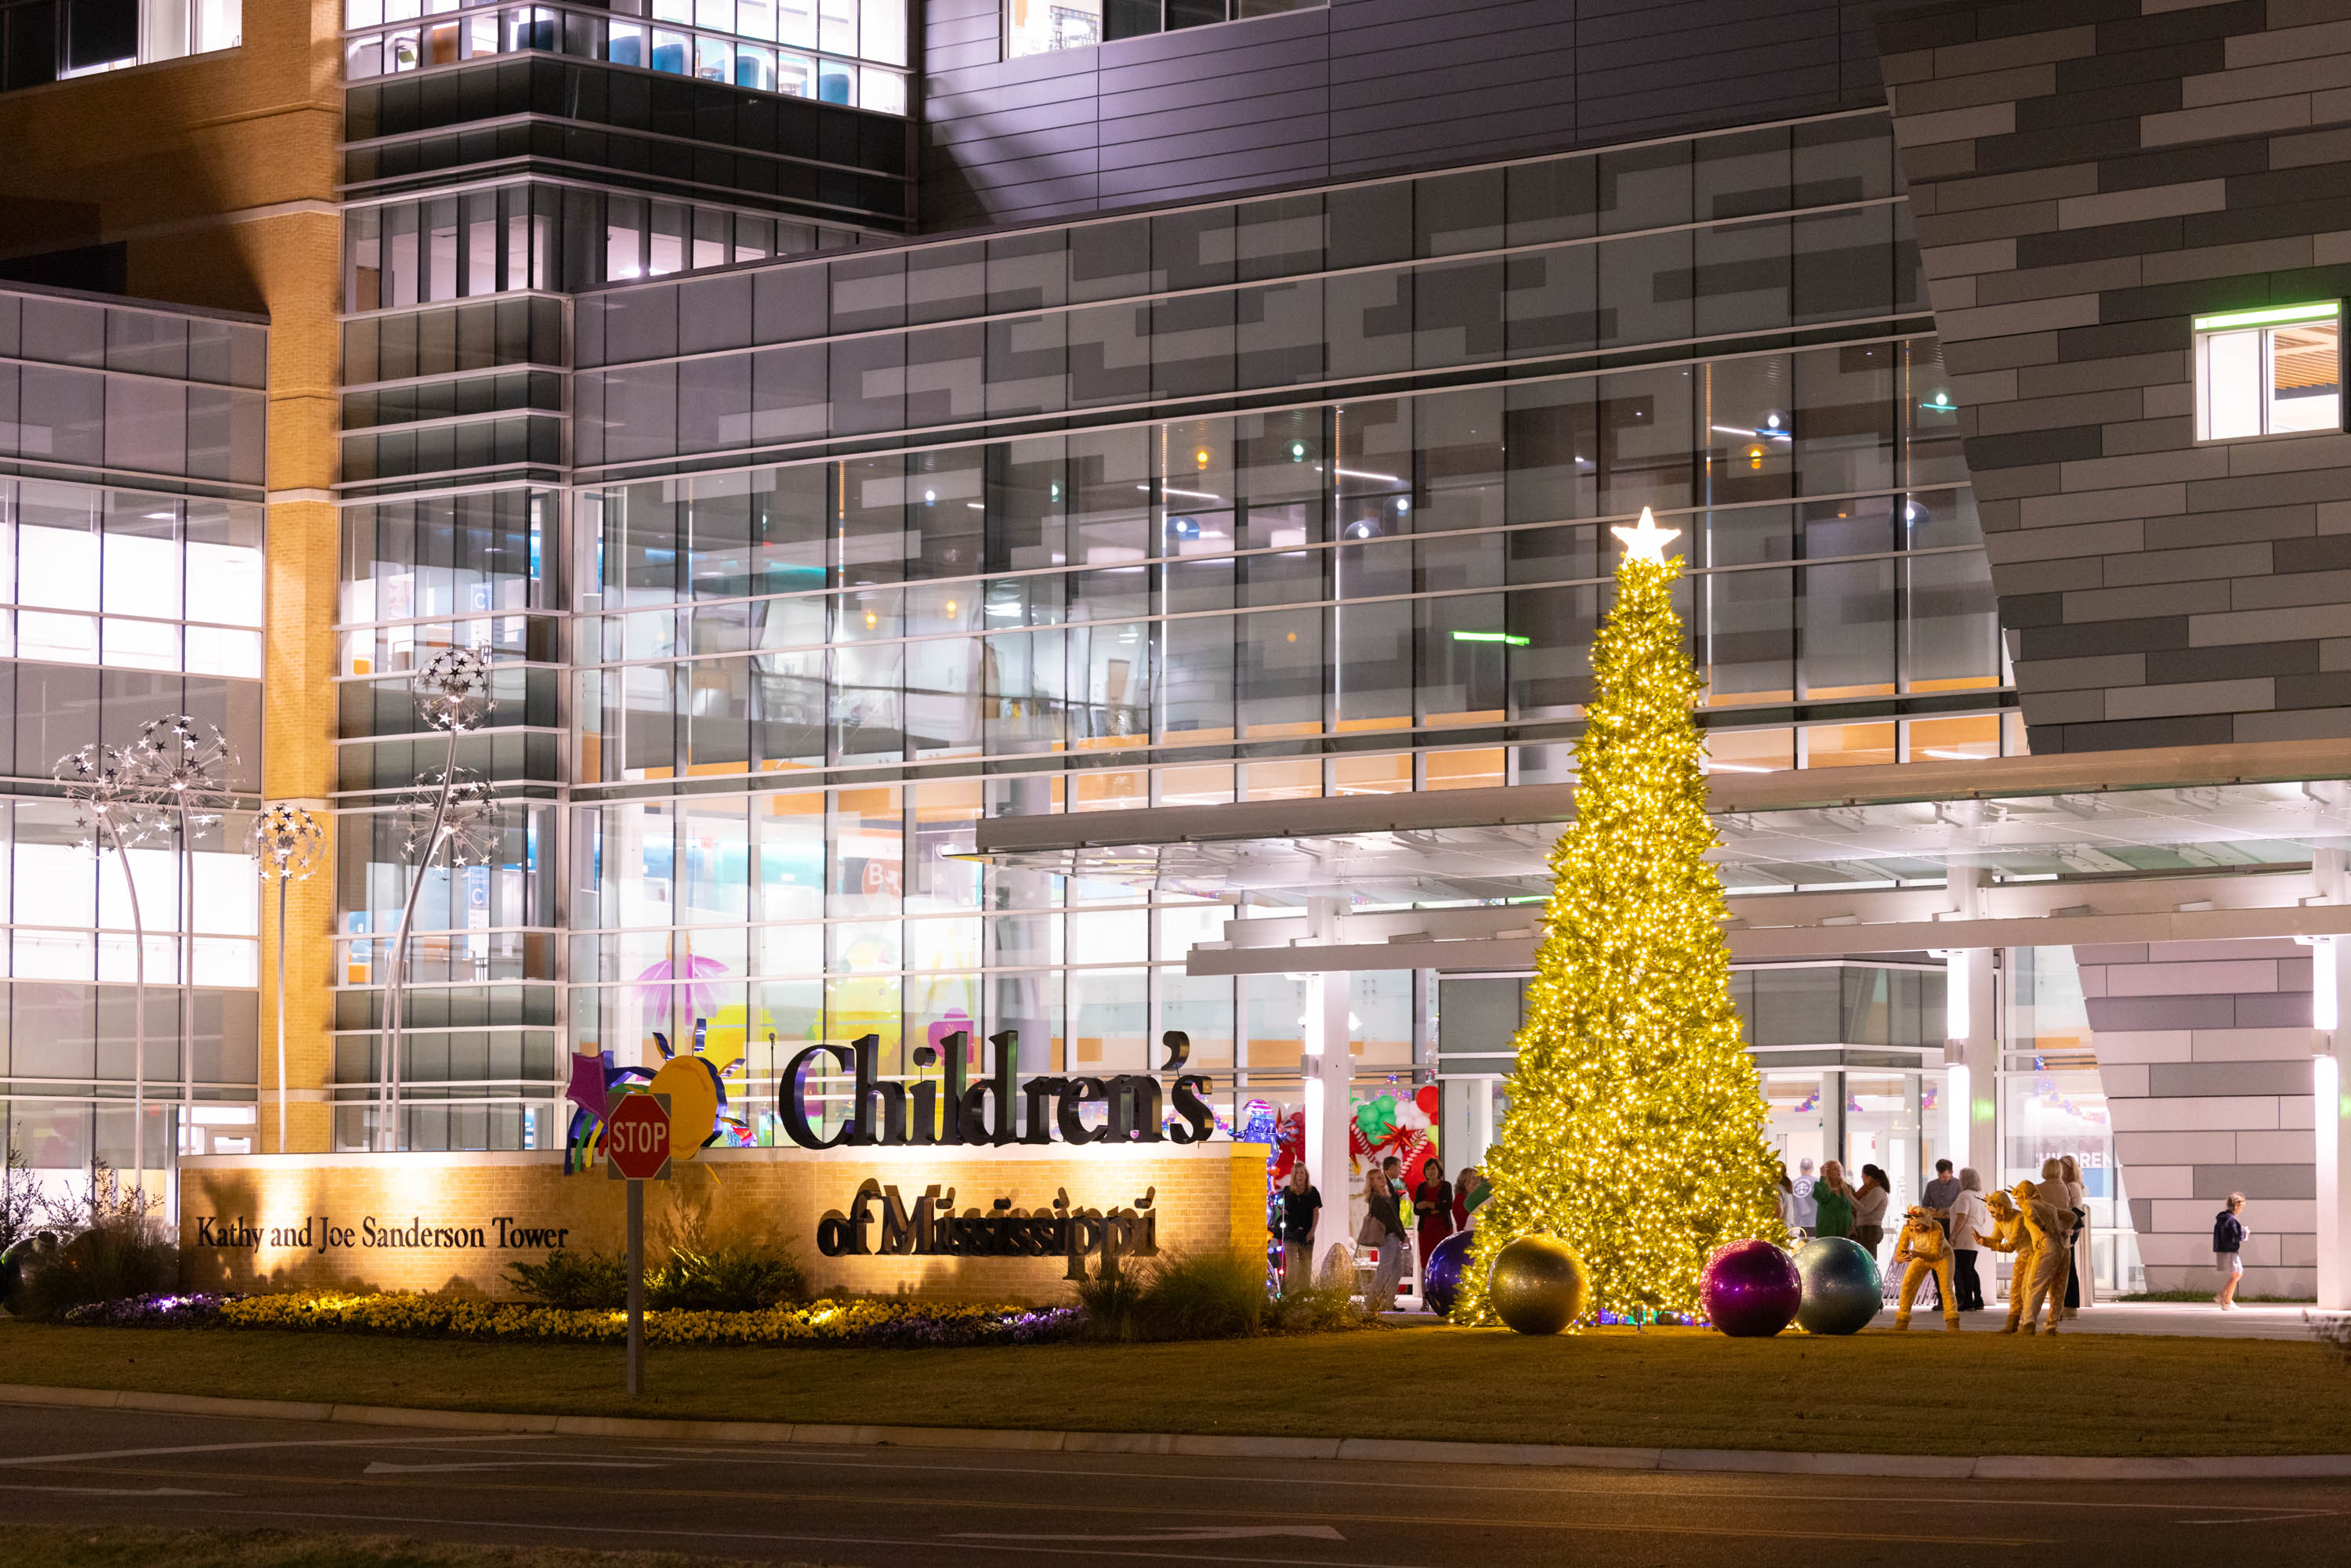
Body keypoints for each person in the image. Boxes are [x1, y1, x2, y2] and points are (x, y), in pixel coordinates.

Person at [1362, 1156, 1410, 1312]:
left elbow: (1395, 1217)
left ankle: (1388, 1302)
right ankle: (1371, 1301)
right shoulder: (1377, 1199)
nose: (1380, 1179)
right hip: (1388, 1238)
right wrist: (1401, 1234)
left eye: (1380, 1176)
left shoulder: (1387, 1196)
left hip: (1394, 1236)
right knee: (1385, 1269)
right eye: (1375, 1178)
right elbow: (1389, 1220)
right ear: (1372, 1183)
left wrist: (1401, 1234)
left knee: (1396, 1270)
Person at [1272, 1164, 1321, 1296]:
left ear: (1306, 1175)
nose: (1300, 1175)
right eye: (1297, 1173)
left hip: (1307, 1233)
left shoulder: (1312, 1192)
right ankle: (1292, 1294)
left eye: (1302, 1173)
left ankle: (1303, 1294)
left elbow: (1316, 1213)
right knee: (1292, 1266)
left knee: (1306, 1265)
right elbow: (1281, 1208)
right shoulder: (1288, 1191)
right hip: (1290, 1233)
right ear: (1294, 1176)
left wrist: (1312, 1231)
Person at [1948, 1168, 1991, 1313]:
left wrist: (1953, 1234)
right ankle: (1978, 1299)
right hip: (1976, 1235)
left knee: (1963, 1269)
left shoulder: (1964, 1196)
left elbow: (1962, 1217)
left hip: (1964, 1236)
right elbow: (1984, 1218)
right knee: (1971, 1268)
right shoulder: (1979, 1196)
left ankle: (1968, 1301)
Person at [1919, 1158, 1961, 1309]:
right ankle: (1941, 1299)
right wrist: (1929, 1210)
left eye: (1946, 1177)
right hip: (1935, 1225)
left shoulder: (1958, 1185)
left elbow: (1960, 1206)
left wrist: (1948, 1210)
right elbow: (1925, 1204)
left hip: (1951, 1225)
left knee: (1952, 1262)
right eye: (1941, 1176)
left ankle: (1956, 1298)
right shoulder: (1931, 1185)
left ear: (1951, 1173)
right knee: (1936, 1261)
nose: (1943, 1180)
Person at [1413, 1157, 1454, 1289]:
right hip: (1426, 1231)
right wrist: (1435, 1208)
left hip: (1443, 1229)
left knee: (1443, 1260)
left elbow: (1447, 1206)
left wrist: (1427, 1204)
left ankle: (1442, 1291)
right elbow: (1417, 1209)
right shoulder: (1421, 1187)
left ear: (1439, 1171)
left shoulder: (1446, 1186)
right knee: (1425, 1263)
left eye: (1433, 1169)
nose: (1430, 1171)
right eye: (1428, 1169)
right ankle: (1425, 1297)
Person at [2059, 1153, 2089, 1317]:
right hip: (2070, 1227)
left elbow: (2074, 1210)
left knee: (2069, 1265)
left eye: (2063, 1167)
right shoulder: (2071, 1185)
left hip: (2070, 1227)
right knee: (2067, 1265)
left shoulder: (2071, 1186)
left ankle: (2070, 1305)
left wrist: (2067, 1229)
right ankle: (2067, 1304)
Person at [2213, 1192, 2248, 1310]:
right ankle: (2227, 1301)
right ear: (2237, 1206)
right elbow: (2238, 1236)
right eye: (2241, 1207)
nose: (2241, 1210)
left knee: (2237, 1274)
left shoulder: (2222, 1218)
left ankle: (2223, 1296)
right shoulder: (2232, 1220)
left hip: (2223, 1250)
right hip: (2229, 1250)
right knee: (2237, 1274)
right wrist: (2245, 1232)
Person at [1852, 1164, 1891, 1263]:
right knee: (1864, 1260)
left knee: (1868, 1261)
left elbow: (1865, 1209)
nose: (1862, 1179)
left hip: (1870, 1229)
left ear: (1869, 1177)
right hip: (1864, 1228)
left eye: (1863, 1176)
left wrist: (1849, 1197)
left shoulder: (1877, 1191)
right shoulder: (1869, 1191)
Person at [1812, 1160, 1854, 1240]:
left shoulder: (1847, 1188)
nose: (1839, 1171)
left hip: (1846, 1230)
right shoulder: (1821, 1186)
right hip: (1828, 1230)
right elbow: (1821, 1197)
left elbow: (1855, 1206)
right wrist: (1822, 1176)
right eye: (1835, 1169)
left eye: (1840, 1169)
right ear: (1828, 1173)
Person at [1789, 1157, 1819, 1234]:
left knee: (1799, 1245)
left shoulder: (1791, 1184)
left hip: (1796, 1225)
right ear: (1812, 1169)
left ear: (1800, 1168)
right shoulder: (1818, 1183)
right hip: (1814, 1223)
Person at [1453, 1165, 1478, 1229]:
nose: (1477, 1181)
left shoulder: (1472, 1197)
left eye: (1477, 1178)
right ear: (1465, 1181)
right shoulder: (1461, 1200)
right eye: (1473, 1178)